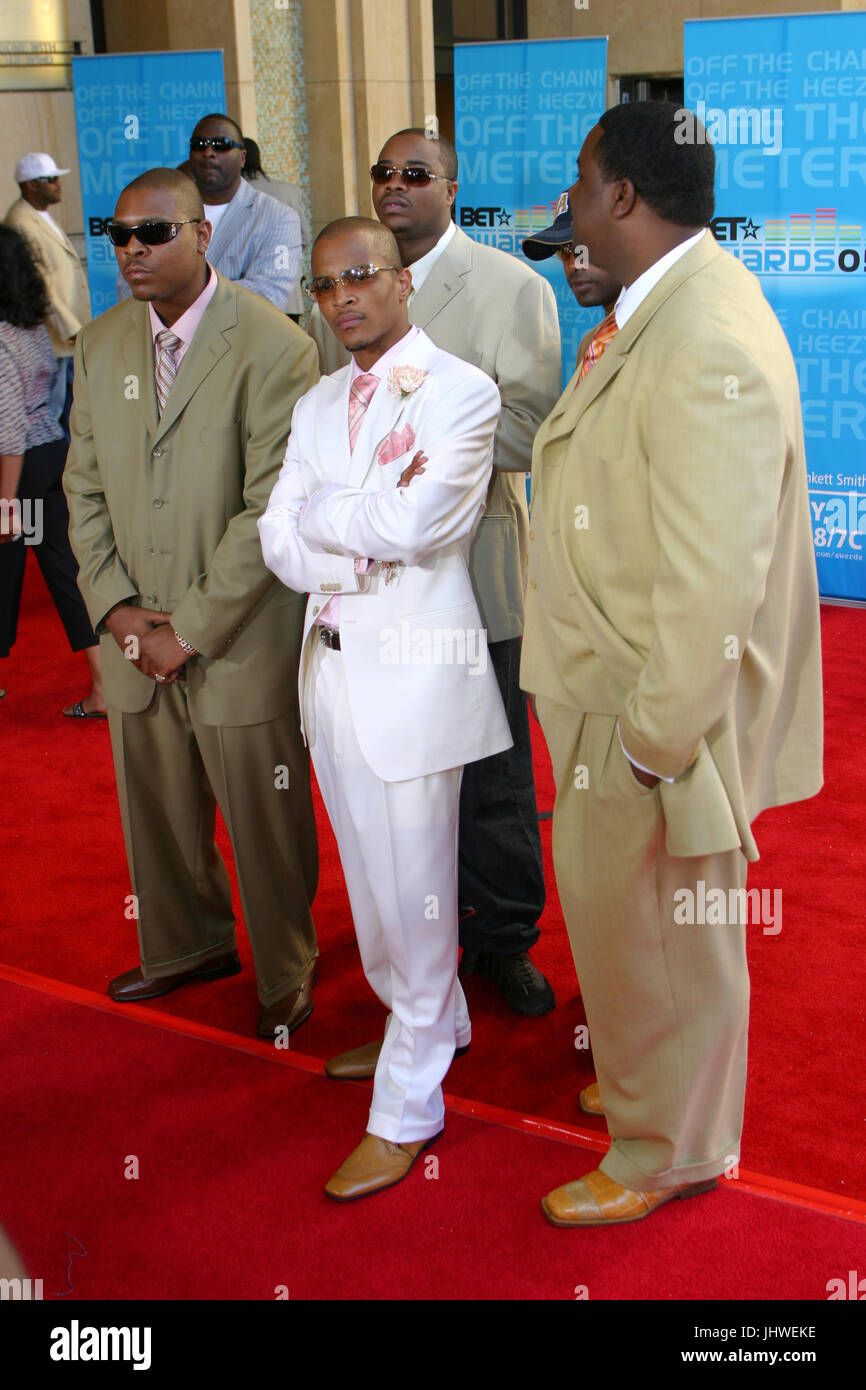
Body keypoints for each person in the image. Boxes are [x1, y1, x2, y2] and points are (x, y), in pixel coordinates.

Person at [521, 101, 823, 1228]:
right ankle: (658, 1081)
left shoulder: (700, 339)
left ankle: (669, 1148)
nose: (570, 207)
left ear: (620, 200)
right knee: (631, 925)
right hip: (616, 690)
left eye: (579, 182)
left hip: (647, 711)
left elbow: (711, 589)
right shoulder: (669, 308)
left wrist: (651, 743)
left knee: (665, 928)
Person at [259, 217, 512, 1200]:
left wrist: (331, 516)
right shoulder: (317, 400)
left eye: (358, 277)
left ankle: (409, 1104)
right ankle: (433, 1019)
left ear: (403, 281)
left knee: (411, 895)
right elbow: (276, 538)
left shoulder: (461, 389)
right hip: (327, 673)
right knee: (370, 890)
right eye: (323, 287)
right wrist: (346, 524)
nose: (340, 299)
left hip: (412, 669)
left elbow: (423, 522)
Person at [310, 127, 562, 1020]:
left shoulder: (512, 286)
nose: (394, 185)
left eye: (416, 173)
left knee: (491, 778)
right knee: (395, 773)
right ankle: (419, 952)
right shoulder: (338, 293)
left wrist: (434, 430)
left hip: (474, 572)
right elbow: (327, 426)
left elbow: (534, 432)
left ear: (453, 186)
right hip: (364, 583)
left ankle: (503, 940)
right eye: (381, 171)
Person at [64, 168, 320, 1038]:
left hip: (240, 633)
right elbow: (83, 490)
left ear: (203, 235)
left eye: (155, 232)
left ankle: (287, 967)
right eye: (119, 233)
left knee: (265, 816)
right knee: (158, 804)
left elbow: (272, 507)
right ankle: (184, 945)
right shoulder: (98, 346)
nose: (133, 248)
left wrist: (195, 628)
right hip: (135, 633)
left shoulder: (275, 345)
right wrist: (118, 612)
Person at [0, 225, 102, 716]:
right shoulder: (31, 325)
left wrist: (5, 504)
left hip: (16, 471)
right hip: (47, 460)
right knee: (64, 570)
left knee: (7, 566)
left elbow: (8, 430)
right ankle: (104, 687)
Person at [117, 115, 301, 313]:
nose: (208, 152)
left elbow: (270, 294)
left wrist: (176, 298)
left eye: (221, 145)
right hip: (161, 340)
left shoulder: (279, 216)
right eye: (199, 144)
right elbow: (130, 286)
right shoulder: (159, 211)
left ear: (242, 157)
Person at [4, 152, 91, 433]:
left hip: (62, 337)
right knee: (53, 414)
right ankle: (52, 472)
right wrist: (71, 329)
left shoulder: (39, 216)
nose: (58, 184)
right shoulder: (22, 222)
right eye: (51, 179)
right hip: (55, 336)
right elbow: (41, 285)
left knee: (68, 410)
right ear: (31, 184)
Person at [522, 192, 621, 335]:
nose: (574, 264)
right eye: (565, 251)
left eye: (585, 247)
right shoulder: (592, 343)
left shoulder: (662, 333)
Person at [242, 138, 311, 322]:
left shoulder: (233, 197)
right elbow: (304, 238)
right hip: (288, 298)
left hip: (247, 303)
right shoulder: (289, 191)